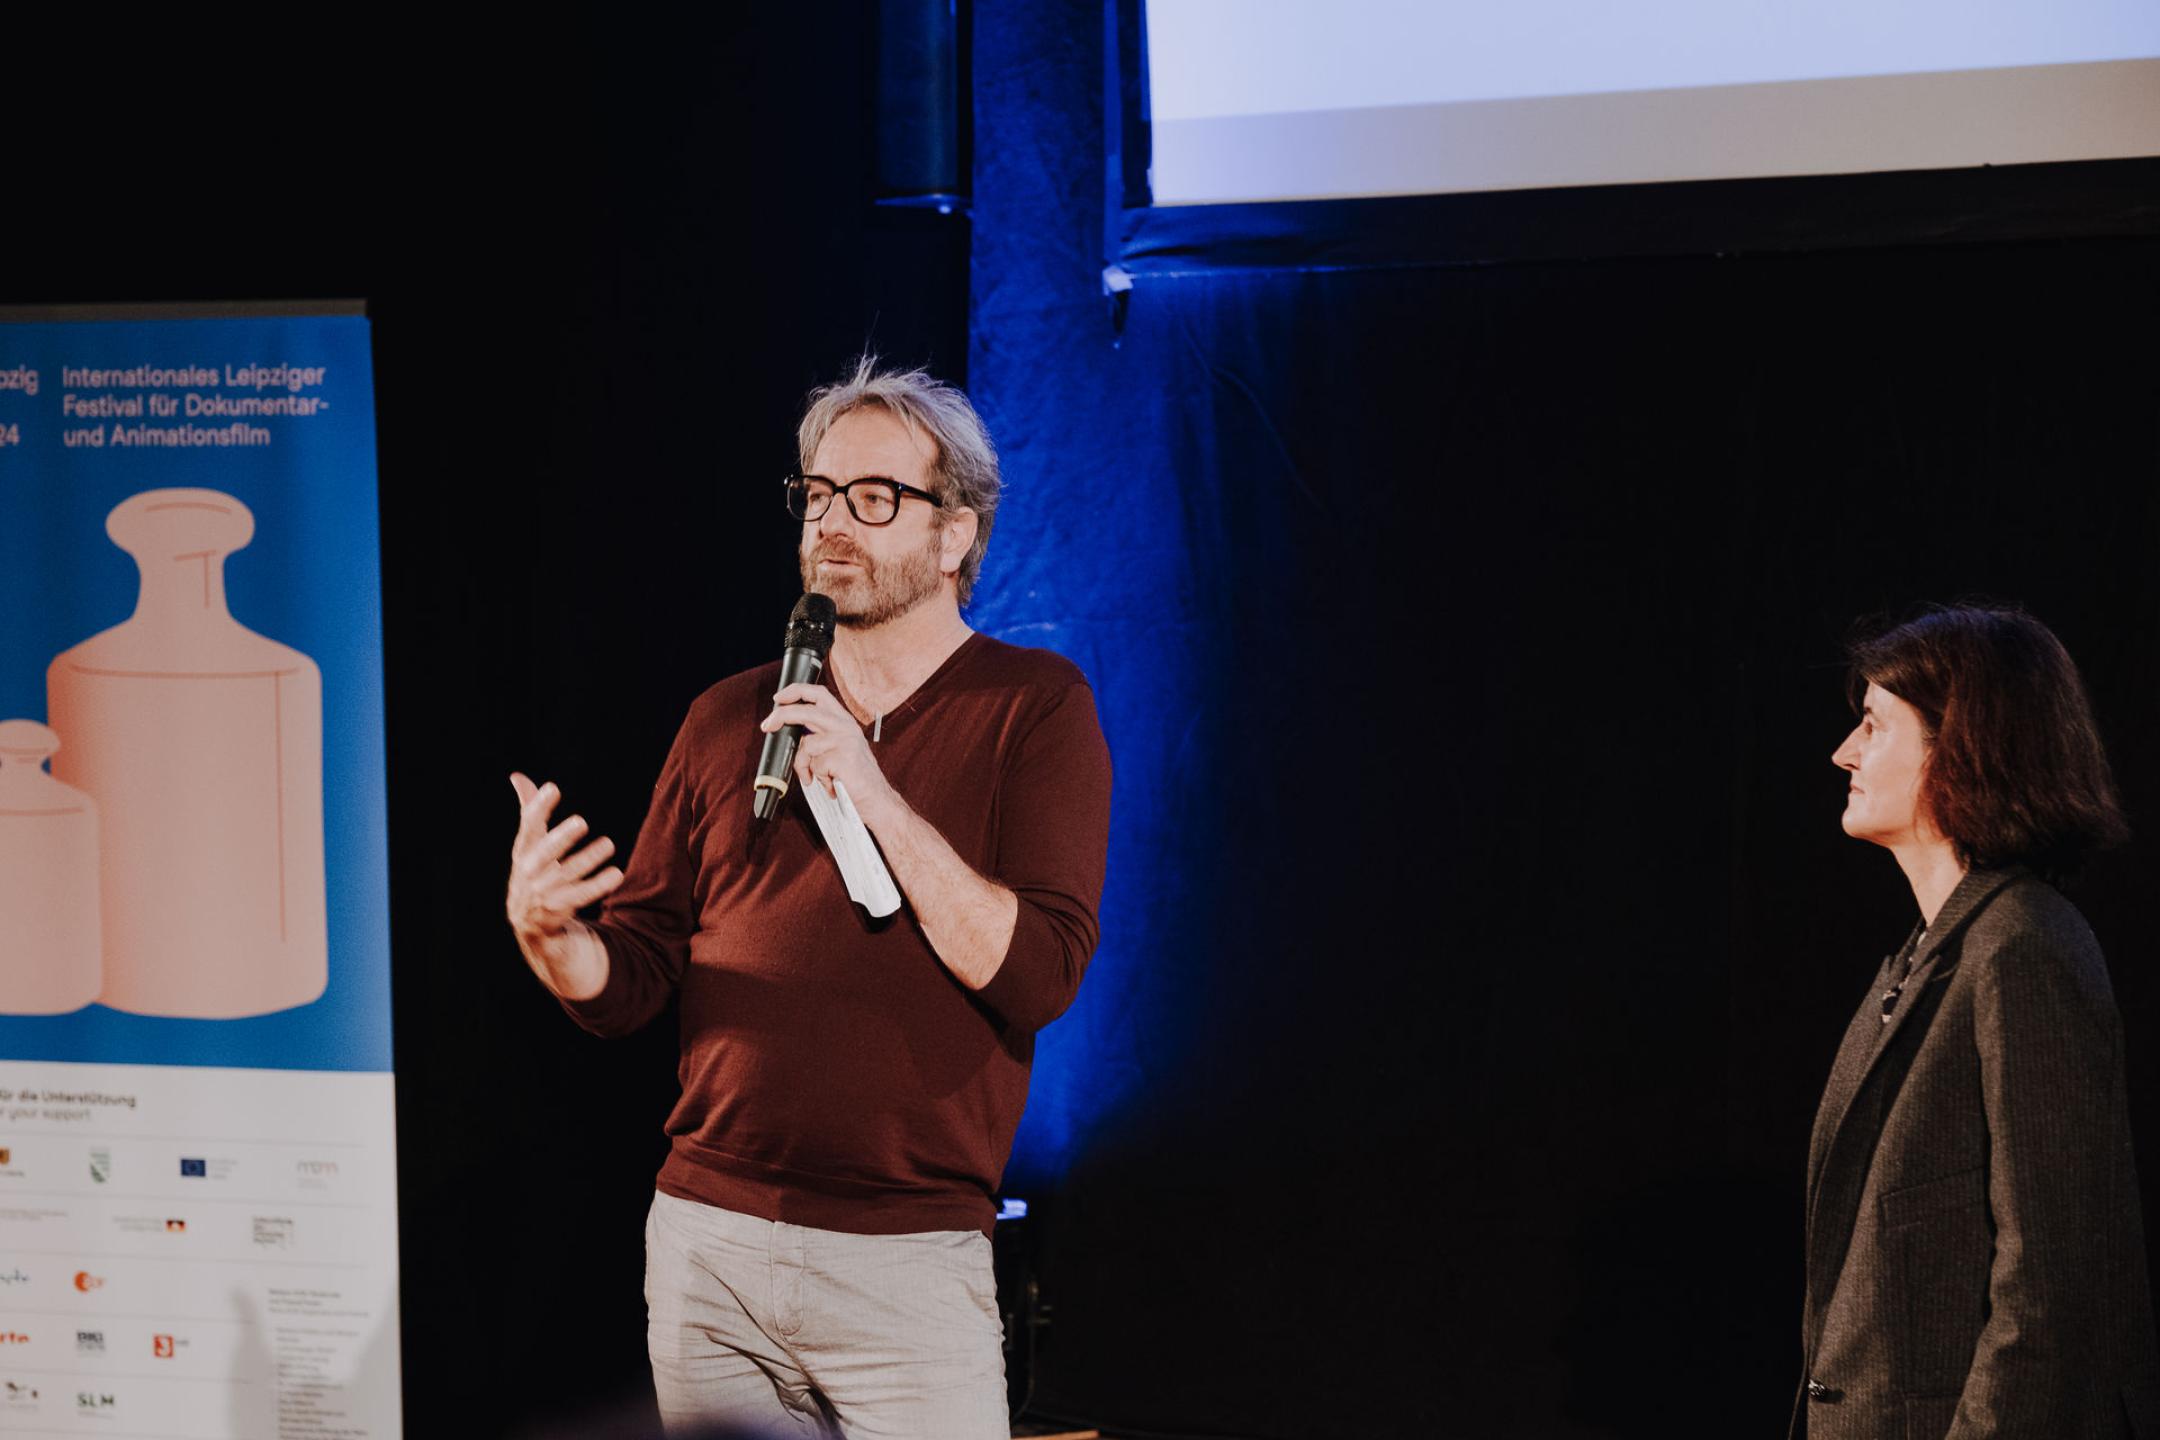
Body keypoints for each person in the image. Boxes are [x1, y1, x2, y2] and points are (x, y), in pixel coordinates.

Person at [503, 358, 1112, 1439]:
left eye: (876, 498)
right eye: (818, 493)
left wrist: (877, 796)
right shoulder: (726, 715)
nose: (835, 521)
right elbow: (637, 971)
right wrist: (556, 940)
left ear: (955, 534)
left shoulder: (1034, 708)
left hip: (907, 1262)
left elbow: (1037, 975)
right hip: (709, 1245)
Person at [1795, 604, 2160, 1438]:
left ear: (1956, 747)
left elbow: (2051, 1288)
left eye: (1873, 726)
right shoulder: (1923, 960)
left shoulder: (2023, 948)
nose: (1844, 753)